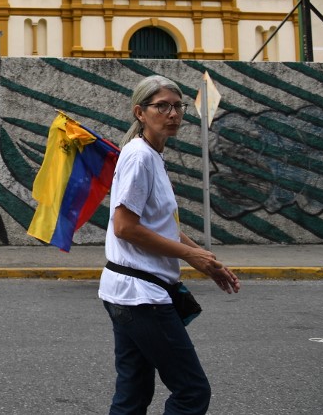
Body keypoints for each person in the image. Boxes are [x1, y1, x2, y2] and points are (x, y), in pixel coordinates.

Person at [99, 75, 241, 415]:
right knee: (191, 392)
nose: (173, 113)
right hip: (141, 296)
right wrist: (191, 253)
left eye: (177, 106)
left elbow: (159, 226)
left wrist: (199, 259)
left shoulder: (152, 156)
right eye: (162, 106)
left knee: (132, 394)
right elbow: (125, 227)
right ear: (140, 112)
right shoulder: (139, 157)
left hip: (128, 292)